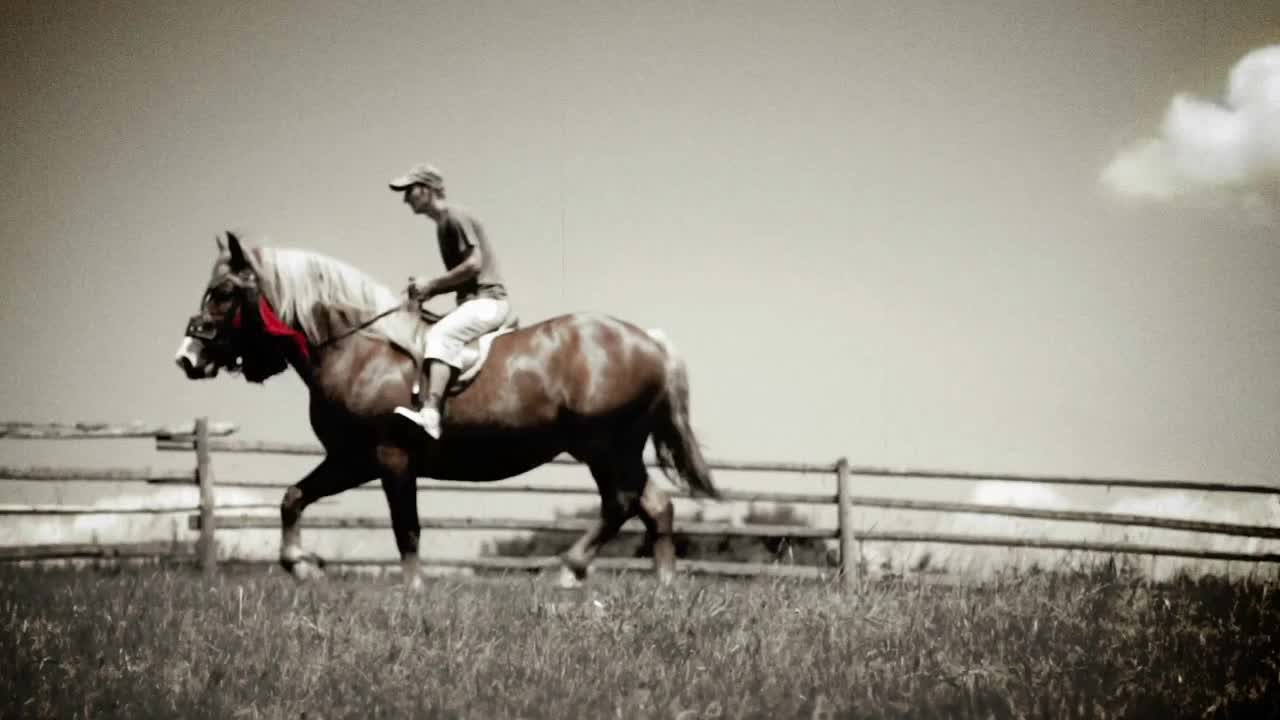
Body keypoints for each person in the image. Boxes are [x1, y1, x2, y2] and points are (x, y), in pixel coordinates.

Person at [388, 162, 512, 439]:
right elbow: (464, 275)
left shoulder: (453, 217)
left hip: (487, 301)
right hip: (473, 300)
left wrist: (432, 283)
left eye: (409, 190)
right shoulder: (443, 224)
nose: (405, 198)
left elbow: (474, 265)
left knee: (441, 335)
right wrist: (427, 291)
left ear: (428, 190)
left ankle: (431, 413)